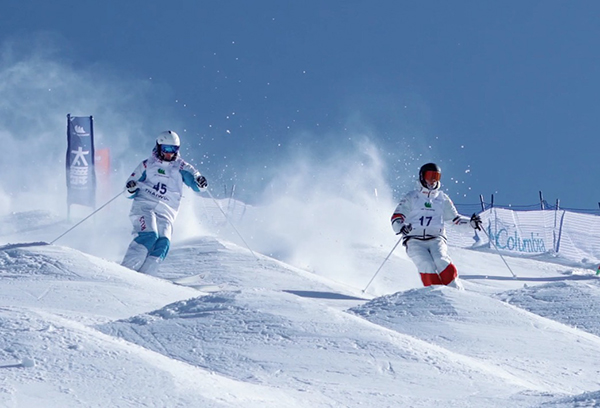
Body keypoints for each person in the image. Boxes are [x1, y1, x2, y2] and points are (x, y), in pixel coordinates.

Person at [121, 130, 208, 275]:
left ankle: (145, 275)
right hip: (145, 205)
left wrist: (201, 182)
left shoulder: (182, 166)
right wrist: (131, 188)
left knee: (163, 243)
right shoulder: (147, 165)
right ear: (159, 147)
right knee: (149, 235)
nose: (169, 153)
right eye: (166, 149)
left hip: (167, 211)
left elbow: (198, 185)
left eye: (173, 150)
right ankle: (126, 270)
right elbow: (128, 190)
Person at [390, 163, 482, 289]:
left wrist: (471, 224)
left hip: (436, 238)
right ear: (422, 177)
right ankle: (436, 293)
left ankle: (455, 291)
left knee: (441, 260)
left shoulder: (442, 198)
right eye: (430, 176)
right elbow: (397, 217)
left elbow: (455, 220)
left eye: (436, 177)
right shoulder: (412, 197)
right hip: (414, 240)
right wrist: (401, 227)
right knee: (426, 263)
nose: (433, 181)